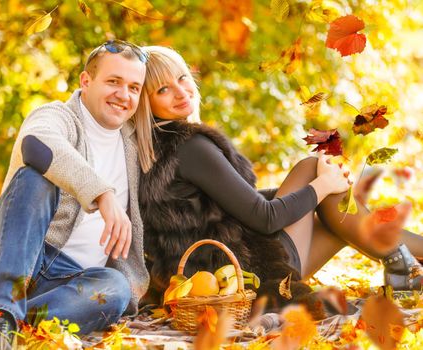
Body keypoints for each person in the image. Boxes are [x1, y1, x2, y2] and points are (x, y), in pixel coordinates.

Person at [137, 46, 423, 317]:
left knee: (338, 216)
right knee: (313, 169)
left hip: (225, 277)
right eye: (163, 89)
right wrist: (321, 187)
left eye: (182, 77)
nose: (180, 91)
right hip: (252, 275)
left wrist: (320, 194)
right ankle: (402, 267)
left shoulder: (158, 148)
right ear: (145, 103)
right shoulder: (190, 147)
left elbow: (235, 205)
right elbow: (265, 218)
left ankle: (402, 268)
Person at [0, 40, 153, 348]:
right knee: (38, 178)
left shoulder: (134, 143)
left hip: (65, 282)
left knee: (116, 286)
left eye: (134, 87)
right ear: (86, 81)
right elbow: (35, 144)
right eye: (113, 82)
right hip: (2, 260)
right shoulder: (57, 116)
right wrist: (102, 194)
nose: (123, 95)